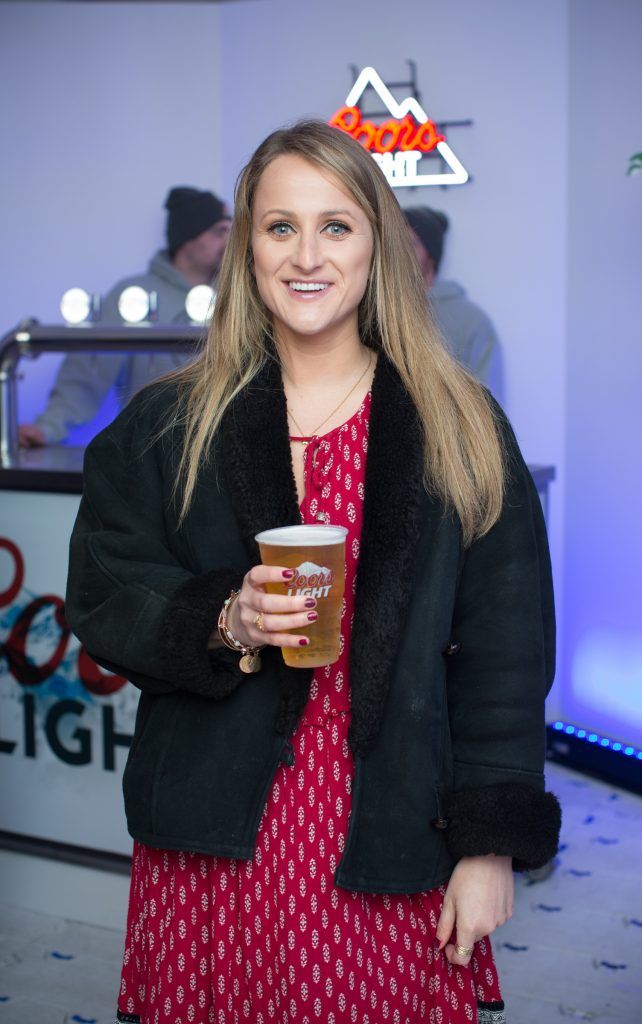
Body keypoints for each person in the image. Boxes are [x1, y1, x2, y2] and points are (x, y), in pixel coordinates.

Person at [66, 120, 560, 1024]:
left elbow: (505, 655)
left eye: (335, 226)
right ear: (245, 247)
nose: (306, 254)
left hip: (395, 821)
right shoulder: (169, 424)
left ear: (378, 244)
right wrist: (224, 620)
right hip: (216, 831)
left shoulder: (460, 425)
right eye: (278, 226)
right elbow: (103, 589)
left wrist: (489, 845)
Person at [18, 186, 231, 447]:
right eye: (220, 232)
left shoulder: (236, 297)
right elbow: (88, 372)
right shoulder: (133, 296)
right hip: (152, 455)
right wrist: (46, 428)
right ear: (189, 239)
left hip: (224, 454)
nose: (230, 240)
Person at [403, 205, 504, 402]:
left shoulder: (471, 321)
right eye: (396, 243)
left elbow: (489, 406)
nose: (400, 252)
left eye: (410, 243)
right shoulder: (377, 312)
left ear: (431, 255)